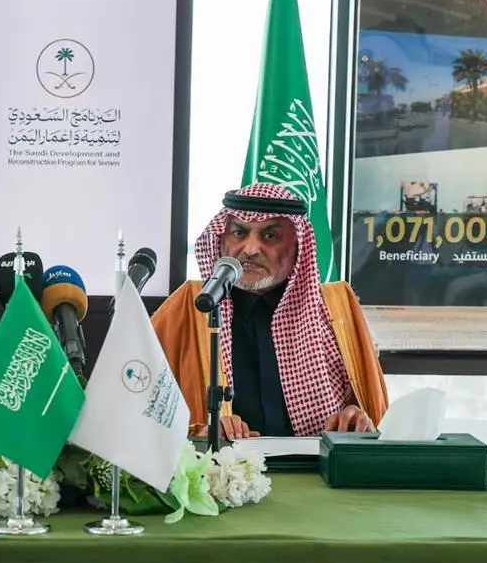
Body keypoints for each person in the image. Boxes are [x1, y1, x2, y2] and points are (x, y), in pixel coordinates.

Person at [151, 183, 389, 439]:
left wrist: (357, 421)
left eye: (270, 236)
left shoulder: (336, 308)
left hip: (316, 463)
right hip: (217, 464)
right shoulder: (190, 307)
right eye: (239, 233)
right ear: (221, 239)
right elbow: (139, 407)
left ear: (298, 246)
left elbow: (374, 416)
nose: (251, 249)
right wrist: (199, 434)